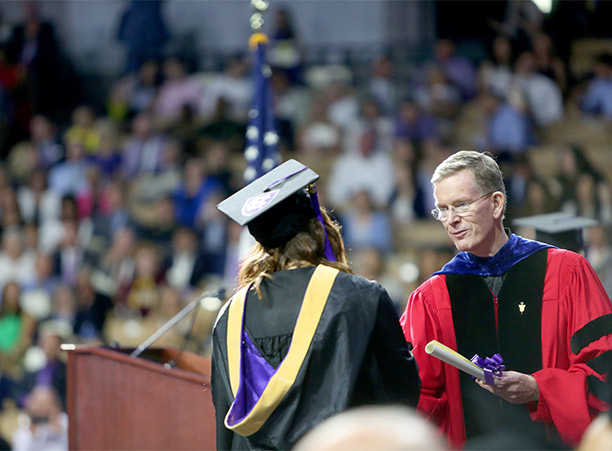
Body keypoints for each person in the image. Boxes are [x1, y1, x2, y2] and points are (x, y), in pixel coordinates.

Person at [400, 150, 612, 448]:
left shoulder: (567, 272)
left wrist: (540, 389)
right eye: (442, 209)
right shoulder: (430, 298)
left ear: (496, 203)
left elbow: (605, 371)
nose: (451, 220)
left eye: (461, 205)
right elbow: (419, 400)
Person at [212, 159, 420, 450]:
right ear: (318, 227)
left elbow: (226, 422)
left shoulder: (230, 316)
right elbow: (399, 395)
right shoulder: (360, 298)